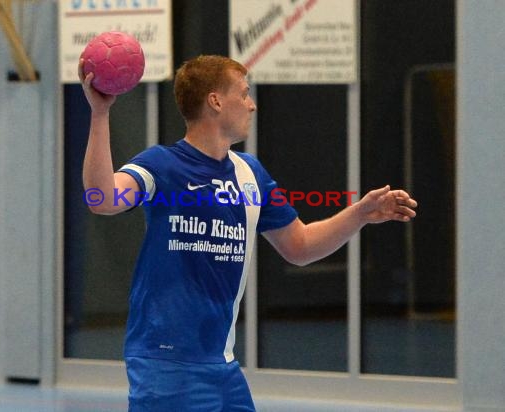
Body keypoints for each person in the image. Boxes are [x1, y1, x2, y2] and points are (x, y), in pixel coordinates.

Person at [79, 55, 417, 411]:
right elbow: (101, 198)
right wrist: (100, 115)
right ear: (215, 101)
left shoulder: (250, 173)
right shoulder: (162, 165)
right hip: (166, 362)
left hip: (221, 365)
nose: (252, 104)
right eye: (244, 93)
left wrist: (359, 214)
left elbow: (299, 246)